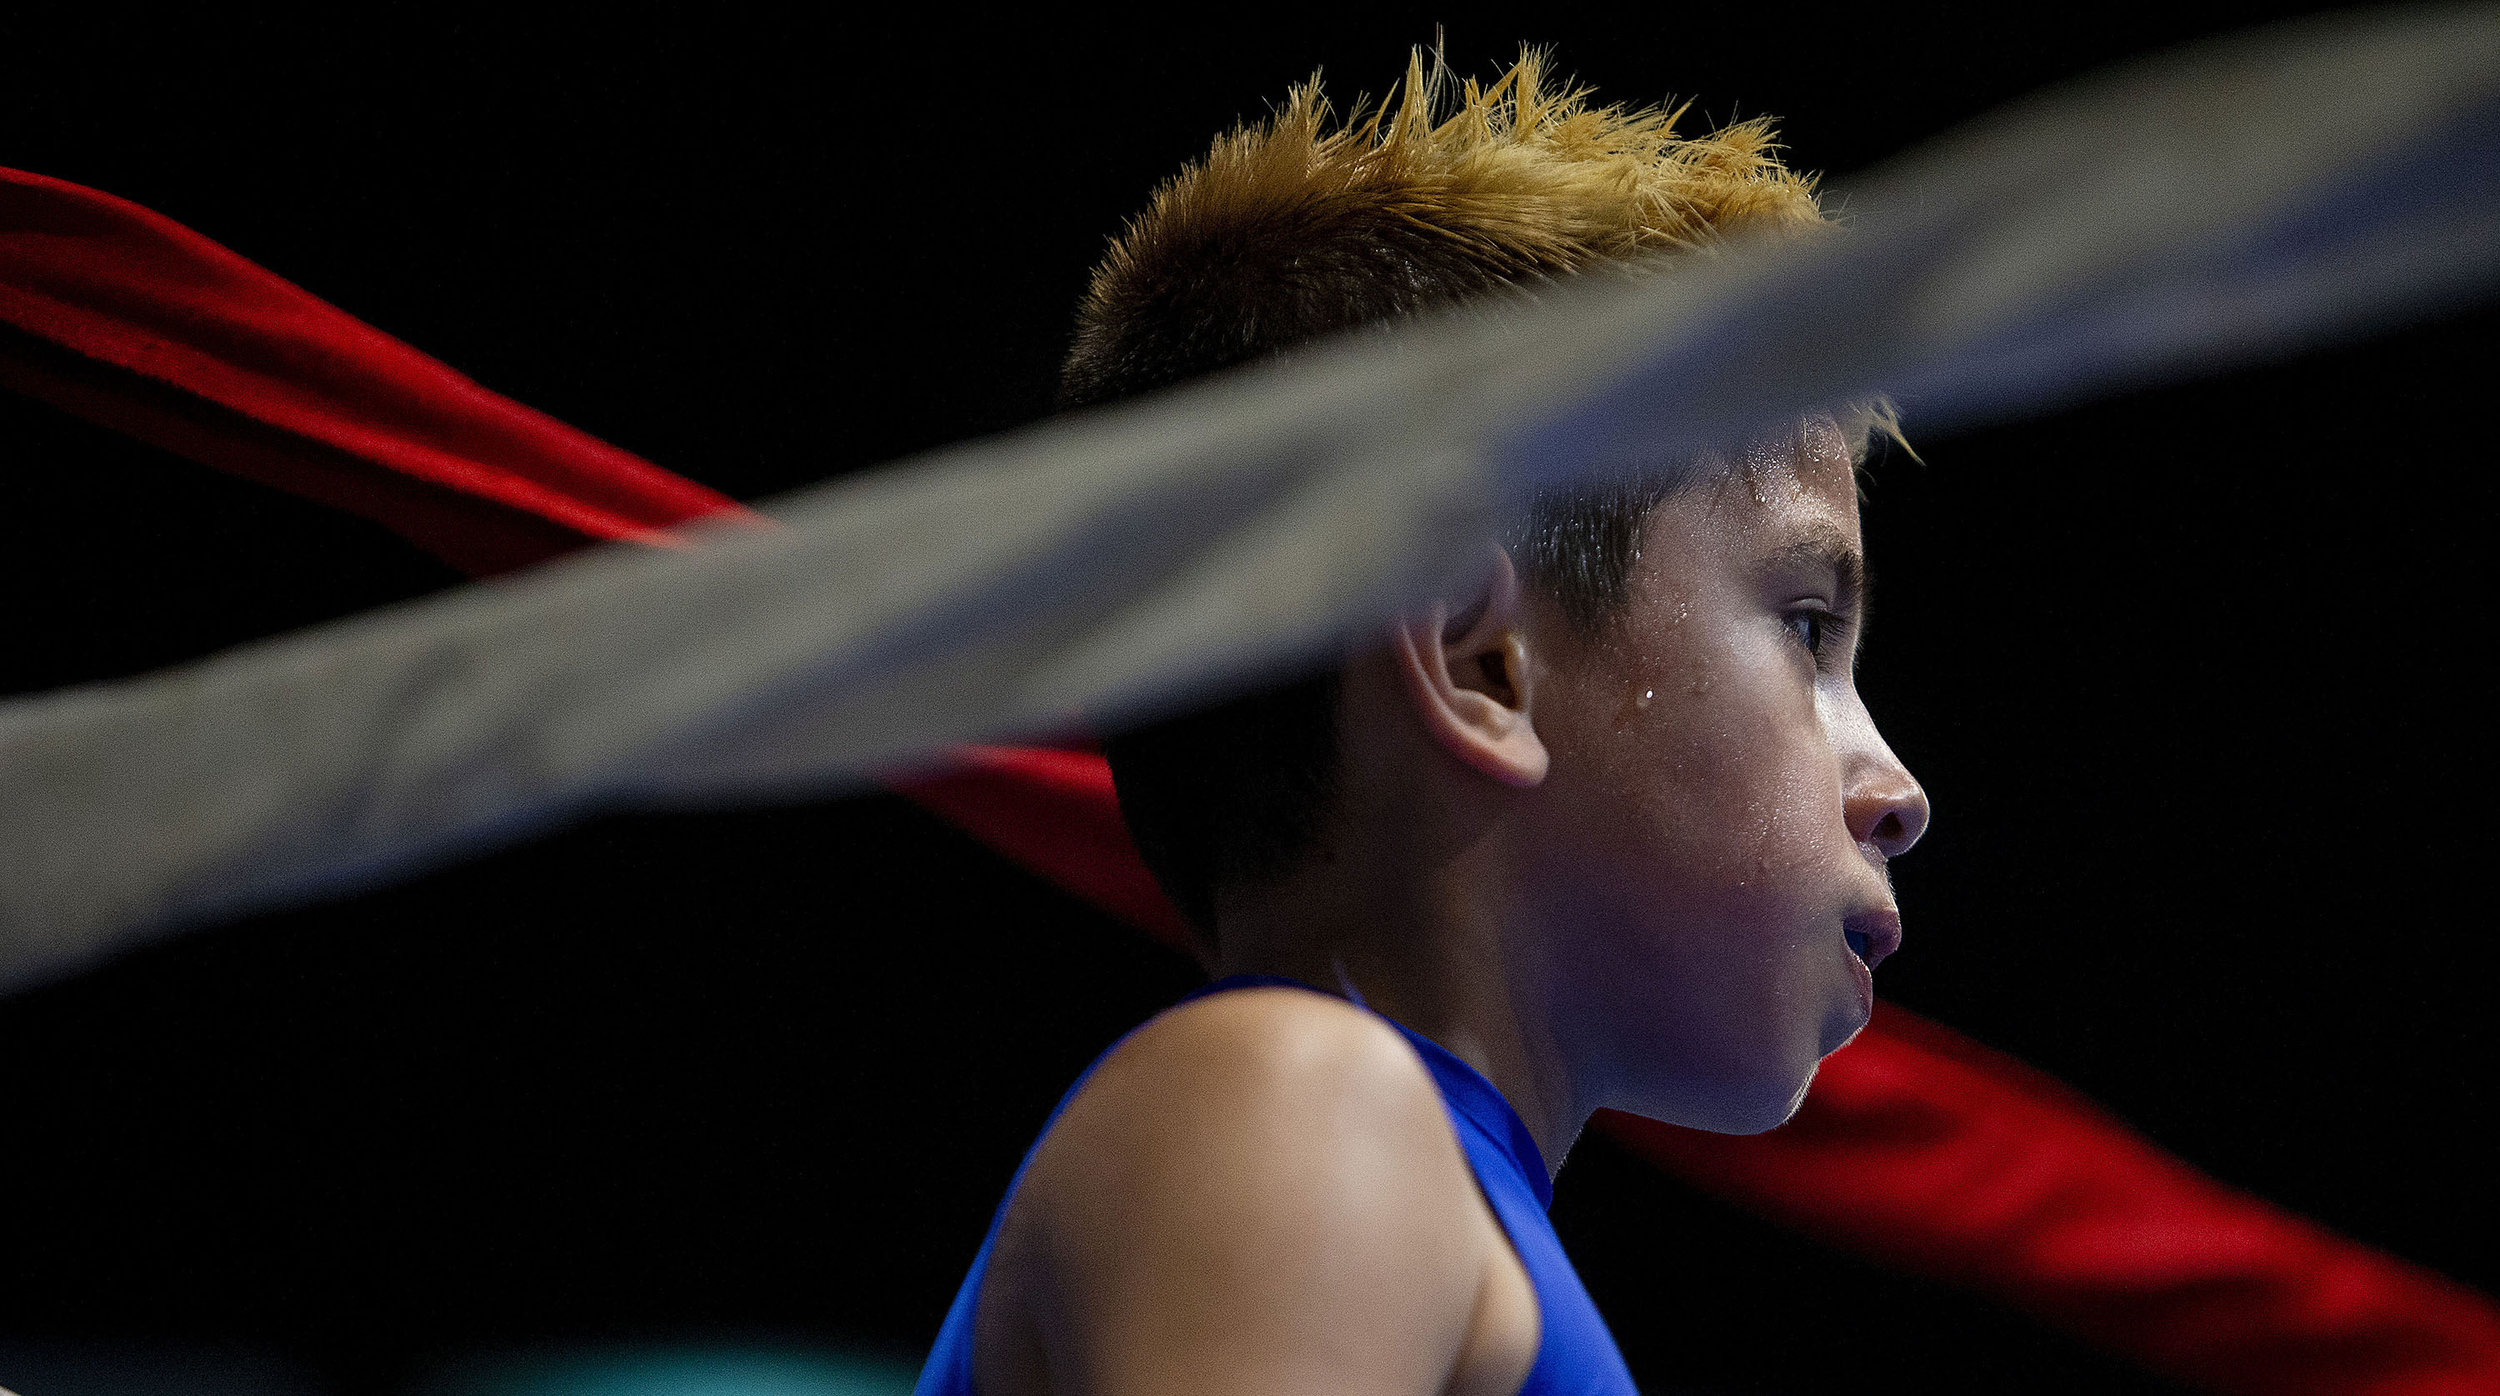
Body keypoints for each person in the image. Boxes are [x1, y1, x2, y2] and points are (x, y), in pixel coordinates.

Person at [917, 47, 1930, 1396]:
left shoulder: (1433, 1211)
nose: (1901, 789)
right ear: (1480, 660)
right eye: (1807, 630)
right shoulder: (1297, 1096)